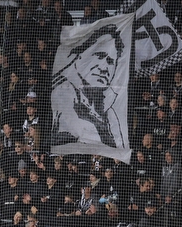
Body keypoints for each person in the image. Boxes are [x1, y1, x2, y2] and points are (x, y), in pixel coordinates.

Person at [51, 24, 127, 152]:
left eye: (110, 62)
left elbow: (119, 146)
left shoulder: (109, 104)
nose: (104, 68)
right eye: (100, 56)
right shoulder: (63, 90)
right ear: (81, 55)